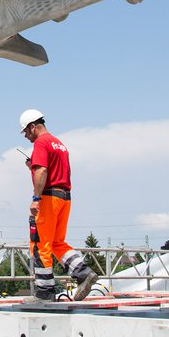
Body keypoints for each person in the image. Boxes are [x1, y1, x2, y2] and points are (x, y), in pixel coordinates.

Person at [19, 109, 98, 301]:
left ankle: (45, 293)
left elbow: (43, 171)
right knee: (56, 242)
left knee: (40, 244)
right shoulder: (59, 144)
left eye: (26, 132)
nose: (26, 136)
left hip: (48, 198)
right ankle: (83, 273)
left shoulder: (41, 143)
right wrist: (32, 167)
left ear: (32, 127)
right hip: (64, 197)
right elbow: (55, 170)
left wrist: (36, 199)